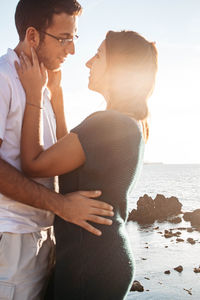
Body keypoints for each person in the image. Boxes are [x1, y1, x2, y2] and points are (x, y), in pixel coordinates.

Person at [16, 30, 158, 299]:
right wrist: (55, 96)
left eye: (99, 55)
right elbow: (65, 156)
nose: (88, 62)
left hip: (89, 263)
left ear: (118, 67)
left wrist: (34, 95)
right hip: (103, 259)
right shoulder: (129, 122)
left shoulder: (107, 123)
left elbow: (34, 164)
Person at [0, 1, 114, 299]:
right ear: (33, 36)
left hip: (40, 236)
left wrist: (56, 94)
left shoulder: (40, 83)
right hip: (11, 238)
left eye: (74, 38)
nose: (72, 50)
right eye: (64, 38)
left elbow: (59, 156)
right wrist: (62, 206)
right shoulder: (3, 78)